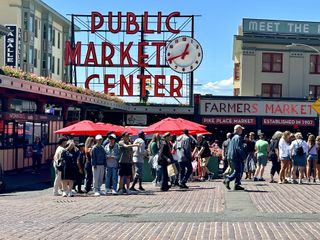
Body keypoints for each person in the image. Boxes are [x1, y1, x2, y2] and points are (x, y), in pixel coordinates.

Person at [224, 124, 246, 191]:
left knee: (239, 170)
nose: (242, 130)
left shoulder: (232, 137)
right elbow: (238, 148)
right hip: (236, 156)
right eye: (241, 129)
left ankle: (237, 184)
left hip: (231, 156)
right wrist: (244, 156)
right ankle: (228, 179)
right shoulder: (238, 137)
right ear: (238, 130)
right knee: (238, 171)